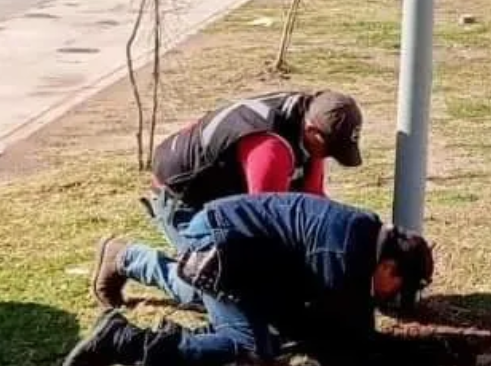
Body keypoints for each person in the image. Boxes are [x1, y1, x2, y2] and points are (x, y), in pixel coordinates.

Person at [58, 193, 434, 366]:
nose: (393, 298)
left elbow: (319, 324)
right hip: (223, 250)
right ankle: (122, 342)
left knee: (238, 318)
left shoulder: (361, 233)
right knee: (250, 350)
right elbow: (344, 352)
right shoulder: (344, 258)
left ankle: (127, 257)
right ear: (388, 267)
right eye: (400, 289)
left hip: (239, 248)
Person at [91, 90, 364, 311]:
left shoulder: (306, 117)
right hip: (184, 201)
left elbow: (311, 201)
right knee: (216, 289)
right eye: (331, 149)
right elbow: (267, 227)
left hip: (226, 196)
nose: (328, 157)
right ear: (314, 132)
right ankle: (127, 258)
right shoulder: (270, 149)